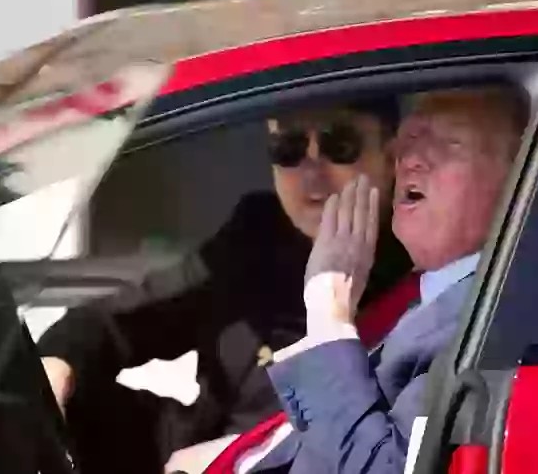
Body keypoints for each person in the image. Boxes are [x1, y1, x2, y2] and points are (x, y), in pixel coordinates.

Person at [34, 99, 412, 474]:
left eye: (340, 144)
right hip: (187, 452)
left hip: (284, 464)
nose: (312, 173)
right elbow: (125, 318)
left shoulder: (417, 269)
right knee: (30, 397)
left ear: (390, 156)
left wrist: (242, 453)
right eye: (288, 147)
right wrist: (58, 365)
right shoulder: (257, 232)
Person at [211, 84, 528, 473]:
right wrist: (240, 457)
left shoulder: (491, 318)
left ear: (519, 178)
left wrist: (328, 314)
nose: (410, 161)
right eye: (409, 142)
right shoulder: (429, 295)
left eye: (449, 144)